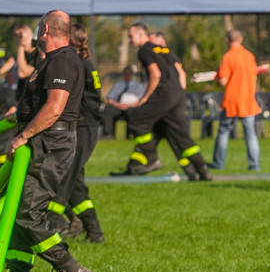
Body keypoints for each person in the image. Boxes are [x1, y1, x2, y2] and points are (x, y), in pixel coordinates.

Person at [0, 10, 92, 272]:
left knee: (28, 212)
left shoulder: (62, 60)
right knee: (17, 211)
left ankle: (71, 269)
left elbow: (54, 108)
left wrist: (22, 136)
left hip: (52, 144)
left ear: (46, 30)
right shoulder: (51, 61)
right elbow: (42, 101)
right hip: (43, 142)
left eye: (39, 29)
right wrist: (20, 113)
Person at [112, 23, 211, 181]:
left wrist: (145, 98)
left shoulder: (144, 50)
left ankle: (152, 158)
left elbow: (155, 74)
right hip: (178, 94)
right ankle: (202, 170)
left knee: (136, 121)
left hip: (164, 93)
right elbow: (181, 72)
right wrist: (180, 94)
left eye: (131, 37)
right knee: (178, 134)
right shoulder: (164, 49)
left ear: (140, 34)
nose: (130, 40)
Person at [55, 23, 106, 244]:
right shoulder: (84, 62)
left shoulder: (76, 64)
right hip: (86, 125)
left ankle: (50, 224)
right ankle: (95, 232)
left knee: (64, 176)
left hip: (84, 127)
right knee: (75, 181)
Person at [210, 29, 261, 172]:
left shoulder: (228, 57)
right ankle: (254, 165)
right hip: (248, 101)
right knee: (250, 133)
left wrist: (219, 73)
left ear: (227, 40)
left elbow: (223, 81)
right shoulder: (249, 56)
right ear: (241, 39)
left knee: (223, 131)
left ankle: (218, 163)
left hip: (232, 101)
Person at [102, 66, 146, 138]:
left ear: (132, 74)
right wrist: (119, 105)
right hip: (118, 106)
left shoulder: (139, 85)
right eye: (125, 74)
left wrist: (128, 105)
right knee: (108, 109)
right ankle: (108, 134)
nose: (127, 75)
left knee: (133, 112)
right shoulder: (118, 84)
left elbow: (142, 100)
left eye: (129, 74)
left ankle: (131, 134)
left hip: (132, 107)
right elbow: (110, 99)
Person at [13, 24, 41, 95]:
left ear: (32, 34)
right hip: (21, 95)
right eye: (18, 35)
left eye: (25, 33)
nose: (22, 37)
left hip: (34, 96)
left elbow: (22, 73)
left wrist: (20, 46)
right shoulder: (21, 54)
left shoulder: (39, 54)